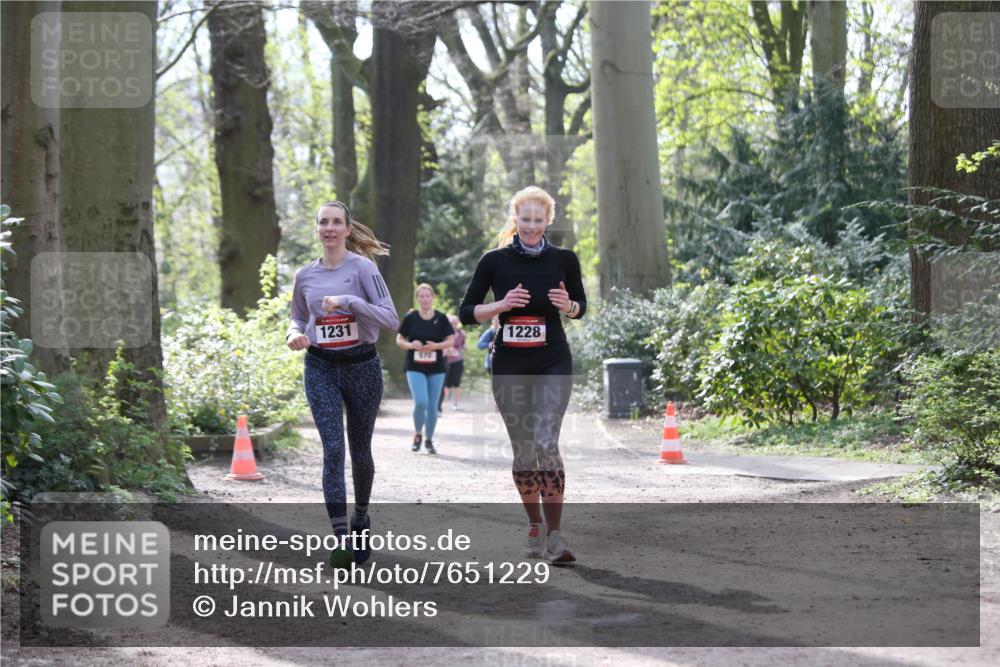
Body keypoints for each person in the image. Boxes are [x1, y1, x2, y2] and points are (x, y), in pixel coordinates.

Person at [459, 185, 586, 564]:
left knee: (547, 442)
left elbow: (581, 306)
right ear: (515, 218)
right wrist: (501, 305)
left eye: (538, 220)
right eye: (525, 219)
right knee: (525, 451)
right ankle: (534, 525)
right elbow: (467, 311)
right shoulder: (494, 261)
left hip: (552, 361)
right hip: (510, 365)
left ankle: (557, 537)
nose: (532, 226)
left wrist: (571, 305)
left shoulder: (564, 259)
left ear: (549, 220)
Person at [286, 200, 399, 565]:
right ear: (317, 229)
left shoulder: (363, 269)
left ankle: (361, 517)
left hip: (361, 365)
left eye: (336, 222)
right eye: (323, 222)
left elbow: (391, 319)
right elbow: (297, 319)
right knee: (333, 449)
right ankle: (341, 539)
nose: (329, 228)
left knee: (359, 450)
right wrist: (294, 335)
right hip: (320, 366)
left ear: (347, 230)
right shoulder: (305, 276)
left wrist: (351, 301)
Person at [396, 284, 454, 455]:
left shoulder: (441, 318)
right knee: (421, 402)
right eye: (421, 296)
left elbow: (451, 341)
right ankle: (418, 434)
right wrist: (410, 344)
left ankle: (428, 439)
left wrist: (436, 346)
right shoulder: (411, 317)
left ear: (433, 297)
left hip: (437, 367)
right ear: (417, 298)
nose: (425, 299)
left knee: (433, 405)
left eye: (427, 295)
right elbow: (399, 339)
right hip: (414, 366)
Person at [442, 314, 466, 410]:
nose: (454, 325)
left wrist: (464, 347)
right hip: (446, 361)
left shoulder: (461, 334)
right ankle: (441, 403)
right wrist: (447, 349)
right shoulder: (443, 334)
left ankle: (455, 404)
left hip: (458, 360)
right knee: (445, 383)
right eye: (452, 323)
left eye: (455, 323)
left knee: (456, 383)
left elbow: (463, 344)